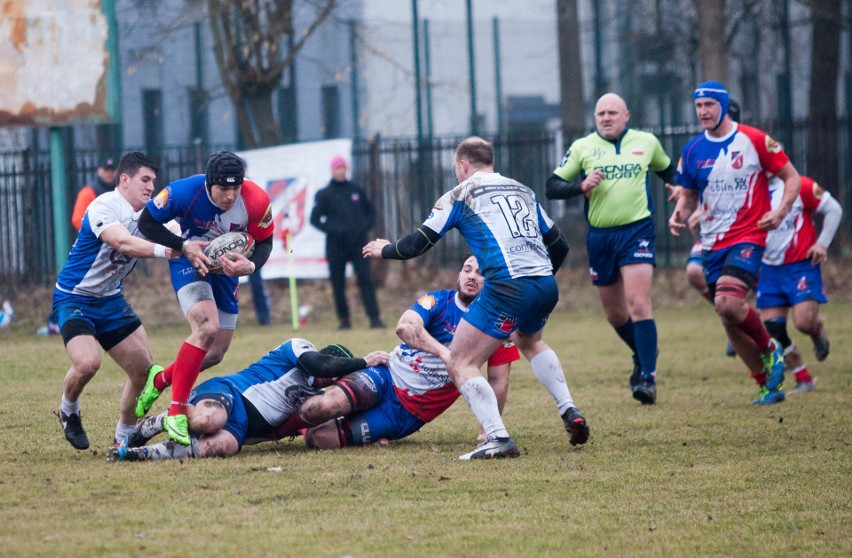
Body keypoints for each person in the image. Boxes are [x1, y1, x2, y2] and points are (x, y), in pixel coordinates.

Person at [363, 136, 581, 460]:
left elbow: (417, 244)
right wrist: (538, 280)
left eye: (456, 168)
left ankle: (497, 438)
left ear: (463, 165)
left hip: (507, 287)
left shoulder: (460, 194)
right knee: (531, 341)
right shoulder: (523, 190)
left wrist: (385, 250)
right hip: (545, 283)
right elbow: (559, 246)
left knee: (460, 360)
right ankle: (569, 410)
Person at [301, 254, 589, 450]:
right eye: (467, 269)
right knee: (320, 408)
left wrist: (487, 428)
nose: (472, 277)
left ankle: (317, 427)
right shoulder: (437, 301)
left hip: (404, 416)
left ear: (493, 283)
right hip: (385, 376)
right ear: (458, 275)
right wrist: (446, 354)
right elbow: (404, 327)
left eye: (481, 273)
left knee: (319, 438)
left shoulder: (497, 327)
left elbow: (499, 381)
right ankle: (278, 418)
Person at [669, 80, 800, 405]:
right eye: (699, 106)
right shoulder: (693, 150)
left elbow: (792, 178)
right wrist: (678, 215)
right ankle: (767, 384)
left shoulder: (754, 140)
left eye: (709, 105)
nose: (703, 112)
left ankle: (772, 349)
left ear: (723, 106)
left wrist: (781, 212)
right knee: (729, 319)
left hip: (749, 236)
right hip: (712, 242)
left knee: (727, 303)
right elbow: (688, 197)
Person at [545, 93, 677, 405]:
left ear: (626, 115)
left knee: (639, 304)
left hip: (637, 230)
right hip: (600, 237)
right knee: (616, 314)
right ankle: (642, 352)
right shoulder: (582, 147)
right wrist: (581, 185)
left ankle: (648, 378)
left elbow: (670, 173)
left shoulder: (647, 142)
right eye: (601, 113)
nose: (606, 118)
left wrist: (681, 190)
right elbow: (552, 186)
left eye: (612, 113)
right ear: (595, 118)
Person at [135, 150, 274, 445]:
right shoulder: (183, 192)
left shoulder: (257, 200)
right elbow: (147, 222)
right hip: (188, 260)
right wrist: (183, 245)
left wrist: (249, 266)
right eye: (223, 188)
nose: (230, 195)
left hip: (226, 270)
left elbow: (265, 242)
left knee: (215, 353)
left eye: (235, 188)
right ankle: (176, 413)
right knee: (206, 328)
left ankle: (159, 379)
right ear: (210, 183)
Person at [54, 152, 176, 450]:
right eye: (144, 180)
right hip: (75, 296)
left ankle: (124, 435)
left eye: (153, 181)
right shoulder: (104, 205)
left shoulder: (151, 212)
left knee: (143, 371)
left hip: (110, 300)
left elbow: (177, 232)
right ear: (124, 179)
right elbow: (122, 242)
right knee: (87, 363)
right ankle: (68, 410)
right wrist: (168, 249)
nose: (151, 187)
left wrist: (200, 246)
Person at [108, 340, 388, 461]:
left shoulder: (317, 400)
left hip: (243, 427)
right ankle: (150, 425)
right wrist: (363, 362)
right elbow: (321, 365)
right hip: (229, 391)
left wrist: (372, 437)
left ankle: (138, 455)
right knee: (208, 420)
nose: (333, 379)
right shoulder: (299, 348)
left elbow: (326, 428)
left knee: (222, 446)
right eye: (338, 369)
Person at [756, 174, 842, 392]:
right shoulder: (751, 189)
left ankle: (816, 331)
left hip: (801, 265)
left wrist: (821, 244)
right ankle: (802, 377)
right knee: (773, 329)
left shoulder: (800, 185)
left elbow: (834, 210)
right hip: (768, 269)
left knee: (803, 322)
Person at [310, 155, 384, 330]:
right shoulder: (324, 194)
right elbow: (315, 219)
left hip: (359, 244)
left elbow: (371, 213)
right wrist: (333, 229)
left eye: (343, 168)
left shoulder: (356, 190)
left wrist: (363, 227)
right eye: (338, 168)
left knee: (365, 279)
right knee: (338, 283)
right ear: (332, 170)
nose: (341, 171)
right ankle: (344, 319)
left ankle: (374, 318)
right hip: (336, 245)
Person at [71, 157, 118, 231]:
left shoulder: (121, 189)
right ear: (99, 170)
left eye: (112, 170)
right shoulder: (88, 191)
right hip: (97, 236)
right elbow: (78, 219)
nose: (109, 173)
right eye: (106, 170)